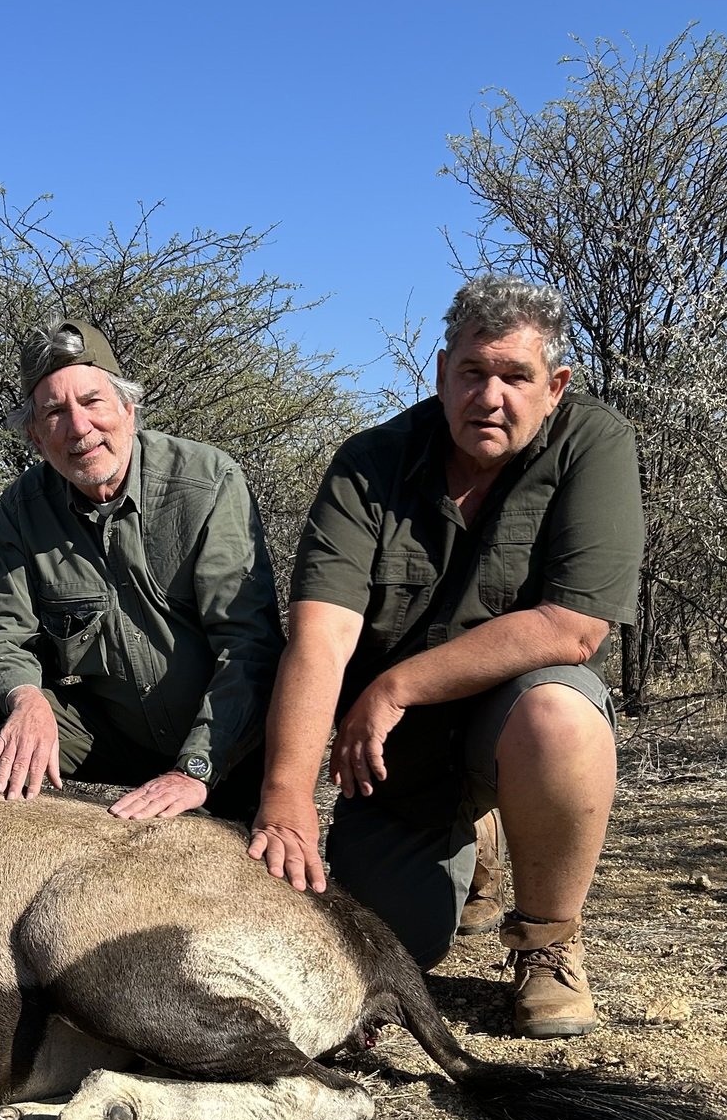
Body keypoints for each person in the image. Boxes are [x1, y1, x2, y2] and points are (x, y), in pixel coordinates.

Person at [248, 276, 642, 1038]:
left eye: (516, 377)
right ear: (440, 373)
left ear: (554, 386)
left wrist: (396, 686)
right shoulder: (370, 462)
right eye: (472, 373)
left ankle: (547, 942)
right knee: (390, 949)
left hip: (503, 720)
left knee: (560, 711)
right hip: (405, 757)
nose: (490, 397)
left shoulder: (596, 442)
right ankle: (479, 838)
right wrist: (287, 796)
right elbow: (321, 633)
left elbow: (574, 629)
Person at [0, 317, 284, 821]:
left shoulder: (209, 481)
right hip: (119, 734)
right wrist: (26, 696)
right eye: (55, 412)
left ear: (128, 409)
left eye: (92, 402)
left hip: (220, 740)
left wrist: (193, 768)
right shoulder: (23, 506)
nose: (79, 427)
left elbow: (248, 647)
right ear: (36, 437)